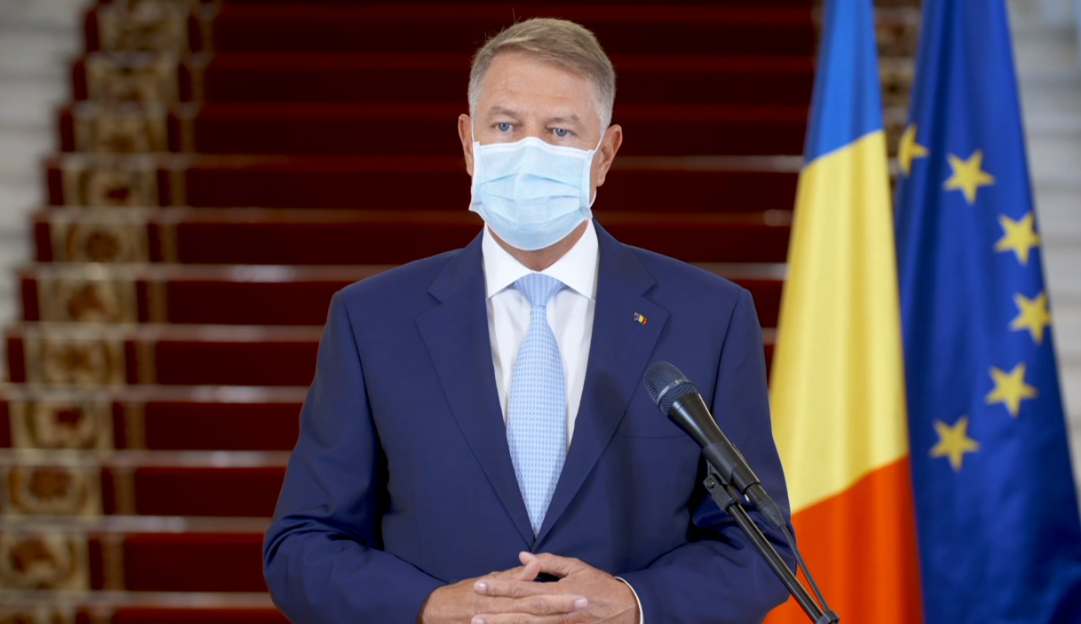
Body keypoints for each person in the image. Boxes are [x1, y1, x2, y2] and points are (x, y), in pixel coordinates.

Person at [264, 18, 794, 624]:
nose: (529, 151)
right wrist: (430, 606)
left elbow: (761, 549)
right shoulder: (371, 320)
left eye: (560, 131)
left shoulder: (711, 317)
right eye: (506, 126)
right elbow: (301, 548)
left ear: (605, 154)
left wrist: (634, 602)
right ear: (469, 142)